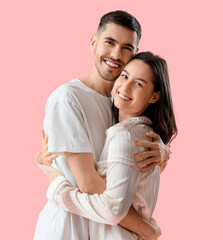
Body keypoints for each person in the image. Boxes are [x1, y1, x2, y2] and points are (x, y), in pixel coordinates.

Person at [34, 11, 170, 240]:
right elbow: (88, 183)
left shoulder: (121, 103)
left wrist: (163, 154)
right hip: (68, 228)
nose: (116, 54)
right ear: (93, 42)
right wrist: (146, 229)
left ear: (135, 54)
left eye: (127, 47)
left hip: (101, 229)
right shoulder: (68, 98)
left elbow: (130, 176)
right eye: (110, 42)